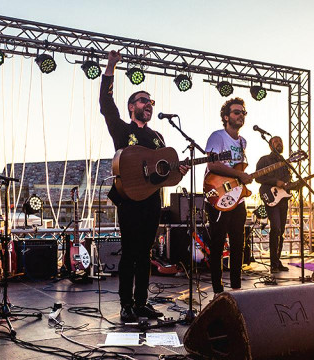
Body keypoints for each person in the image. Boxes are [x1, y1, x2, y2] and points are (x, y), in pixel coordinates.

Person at [99, 50, 189, 322]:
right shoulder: (122, 130)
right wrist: (110, 68)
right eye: (142, 100)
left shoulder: (159, 137)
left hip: (151, 202)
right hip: (129, 199)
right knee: (130, 252)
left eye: (150, 101)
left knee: (146, 253)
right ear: (131, 107)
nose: (148, 104)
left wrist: (179, 172)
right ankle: (126, 304)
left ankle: (142, 302)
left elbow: (163, 173)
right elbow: (105, 103)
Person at [204, 97, 253, 294]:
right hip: (219, 195)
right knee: (217, 243)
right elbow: (212, 164)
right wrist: (238, 174)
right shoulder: (218, 137)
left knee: (238, 243)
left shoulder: (243, 142)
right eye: (236, 112)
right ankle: (217, 288)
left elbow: (239, 169)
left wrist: (243, 178)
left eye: (243, 112)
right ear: (226, 117)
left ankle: (236, 287)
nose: (241, 115)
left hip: (238, 198)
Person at [255, 136, 291, 273]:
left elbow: (287, 180)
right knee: (275, 228)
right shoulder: (264, 160)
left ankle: (277, 261)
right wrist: (276, 182)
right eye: (276, 142)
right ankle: (273, 263)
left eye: (281, 141)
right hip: (270, 196)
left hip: (283, 198)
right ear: (270, 146)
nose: (279, 143)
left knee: (281, 231)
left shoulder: (286, 163)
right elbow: (258, 177)